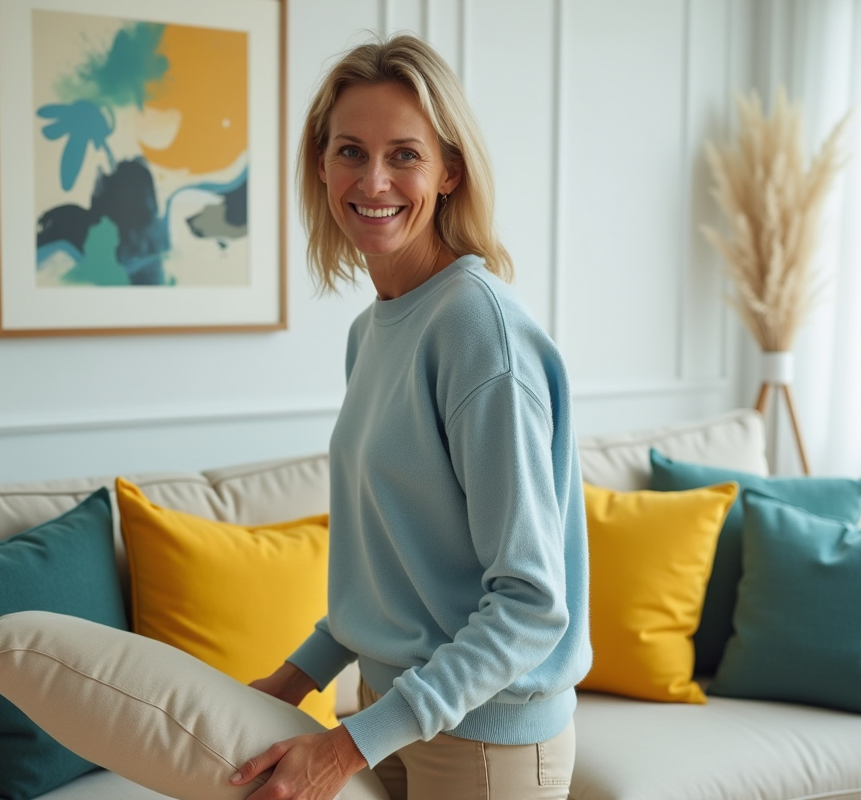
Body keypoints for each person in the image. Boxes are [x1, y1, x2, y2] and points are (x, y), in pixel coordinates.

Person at [230, 34, 591, 800]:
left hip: (485, 739)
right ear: (321, 166)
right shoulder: (375, 330)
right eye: (351, 151)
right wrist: (292, 681)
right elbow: (388, 575)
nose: (374, 180)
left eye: (405, 155)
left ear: (449, 170)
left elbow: (530, 604)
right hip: (394, 717)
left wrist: (340, 753)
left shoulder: (476, 328)